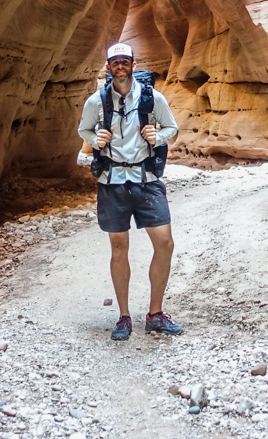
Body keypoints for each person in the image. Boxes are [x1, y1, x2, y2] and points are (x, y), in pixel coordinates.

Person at [76, 42, 184, 340]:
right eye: (115, 62)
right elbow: (83, 131)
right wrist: (96, 139)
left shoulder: (152, 98)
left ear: (133, 65)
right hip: (112, 181)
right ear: (108, 67)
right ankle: (124, 317)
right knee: (119, 248)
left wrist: (157, 135)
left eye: (125, 61)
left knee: (165, 243)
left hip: (146, 178)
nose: (120, 66)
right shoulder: (96, 102)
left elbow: (171, 128)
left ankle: (155, 313)